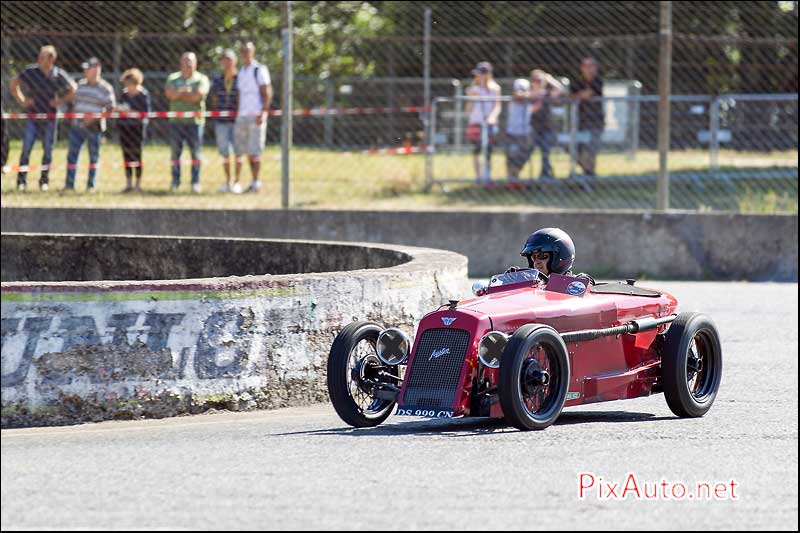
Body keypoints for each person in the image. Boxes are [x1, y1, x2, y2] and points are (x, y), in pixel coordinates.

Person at [9, 45, 76, 191]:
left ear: (51, 59)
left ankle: (44, 181)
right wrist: (22, 100)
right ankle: (21, 181)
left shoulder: (58, 74)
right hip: (33, 116)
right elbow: (14, 84)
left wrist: (60, 101)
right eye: (39, 57)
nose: (39, 60)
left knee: (48, 151)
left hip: (51, 118)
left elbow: (73, 88)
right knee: (26, 149)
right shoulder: (32, 71)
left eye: (43, 57)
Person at [64, 57, 115, 192]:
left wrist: (93, 119)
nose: (86, 71)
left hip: (94, 127)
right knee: (72, 156)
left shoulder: (105, 88)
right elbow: (74, 104)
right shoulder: (79, 85)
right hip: (77, 126)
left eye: (89, 68)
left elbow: (110, 110)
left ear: (97, 69)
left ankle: (90, 185)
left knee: (93, 157)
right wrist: (74, 117)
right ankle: (69, 185)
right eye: (85, 69)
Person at [165, 52, 209, 193]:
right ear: (180, 63)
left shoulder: (201, 78)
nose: (188, 64)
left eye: (190, 61)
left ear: (195, 63)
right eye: (185, 61)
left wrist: (180, 93)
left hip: (195, 122)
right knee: (175, 154)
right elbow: (170, 96)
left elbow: (198, 96)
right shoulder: (173, 78)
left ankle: (195, 182)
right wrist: (188, 92)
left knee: (196, 153)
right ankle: (175, 182)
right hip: (176, 122)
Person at [235, 42, 272, 193]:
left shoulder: (259, 70)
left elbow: (266, 92)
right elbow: (239, 94)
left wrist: (263, 112)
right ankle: (240, 182)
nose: (245, 54)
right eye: (243, 51)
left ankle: (256, 181)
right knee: (242, 150)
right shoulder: (241, 71)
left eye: (248, 51)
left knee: (255, 151)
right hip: (242, 115)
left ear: (253, 52)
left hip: (255, 115)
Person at [465, 61, 501, 183]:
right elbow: (468, 110)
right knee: (476, 151)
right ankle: (478, 178)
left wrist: (492, 117)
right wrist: (471, 98)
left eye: (480, 74)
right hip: (475, 122)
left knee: (488, 153)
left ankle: (488, 177)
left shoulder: (495, 88)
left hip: (489, 124)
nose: (477, 77)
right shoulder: (473, 89)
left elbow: (497, 106)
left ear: (487, 75)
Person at [210, 49, 240, 193]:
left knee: (238, 152)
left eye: (230, 59)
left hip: (237, 121)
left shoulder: (241, 78)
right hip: (221, 121)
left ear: (235, 61)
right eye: (225, 60)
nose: (227, 63)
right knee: (225, 153)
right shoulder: (217, 79)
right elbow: (214, 99)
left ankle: (237, 181)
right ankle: (228, 181)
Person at [117, 68, 151, 193]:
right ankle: (128, 183)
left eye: (128, 83)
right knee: (126, 155)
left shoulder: (143, 95)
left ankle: (137, 184)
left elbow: (145, 114)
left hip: (137, 128)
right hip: (124, 127)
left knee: (137, 155)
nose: (127, 86)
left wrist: (130, 112)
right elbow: (119, 107)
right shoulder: (124, 94)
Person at [570, 56, 604, 177]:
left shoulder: (598, 81)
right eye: (585, 66)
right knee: (576, 152)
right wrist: (579, 95)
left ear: (595, 68)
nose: (588, 69)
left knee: (591, 151)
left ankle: (589, 177)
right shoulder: (578, 82)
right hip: (580, 121)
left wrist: (579, 95)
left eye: (591, 66)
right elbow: (571, 97)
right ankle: (587, 173)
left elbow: (588, 94)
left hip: (596, 121)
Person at [529, 69, 565, 180]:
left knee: (545, 152)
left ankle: (545, 175)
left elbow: (561, 90)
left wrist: (550, 79)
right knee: (527, 151)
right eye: (535, 80)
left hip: (546, 128)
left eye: (540, 80)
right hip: (531, 128)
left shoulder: (547, 94)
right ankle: (516, 178)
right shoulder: (529, 93)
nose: (538, 83)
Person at [504, 78, 533, 181]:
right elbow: (518, 94)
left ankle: (514, 177)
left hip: (525, 133)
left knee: (523, 155)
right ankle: (511, 180)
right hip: (512, 133)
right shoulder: (513, 99)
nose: (521, 91)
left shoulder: (530, 100)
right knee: (511, 156)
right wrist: (527, 94)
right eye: (519, 88)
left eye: (524, 89)